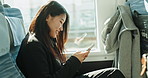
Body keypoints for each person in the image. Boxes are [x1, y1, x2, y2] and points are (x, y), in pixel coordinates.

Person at [16, 1, 125, 78]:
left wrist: (75, 61)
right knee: (113, 74)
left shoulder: (46, 41)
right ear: (48, 17)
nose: (61, 28)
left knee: (114, 73)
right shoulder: (33, 45)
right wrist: (74, 61)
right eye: (60, 22)